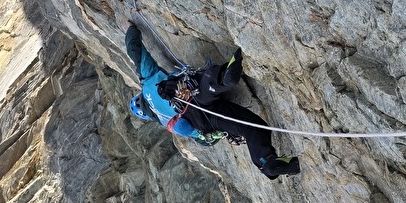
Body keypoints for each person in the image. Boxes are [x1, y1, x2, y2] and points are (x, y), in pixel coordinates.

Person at [126, 22, 301, 180]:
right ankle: (223, 78)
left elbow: (204, 140)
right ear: (139, 97)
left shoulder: (165, 122)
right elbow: (136, 52)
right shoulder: (147, 84)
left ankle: (267, 162)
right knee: (202, 85)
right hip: (189, 96)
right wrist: (131, 30)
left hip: (203, 120)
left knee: (251, 127)